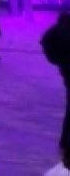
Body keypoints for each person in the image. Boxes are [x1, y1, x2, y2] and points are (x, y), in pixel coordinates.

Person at [41, 11, 70, 169]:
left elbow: (45, 41)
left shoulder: (59, 27)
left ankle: (65, 141)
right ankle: (66, 143)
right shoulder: (63, 29)